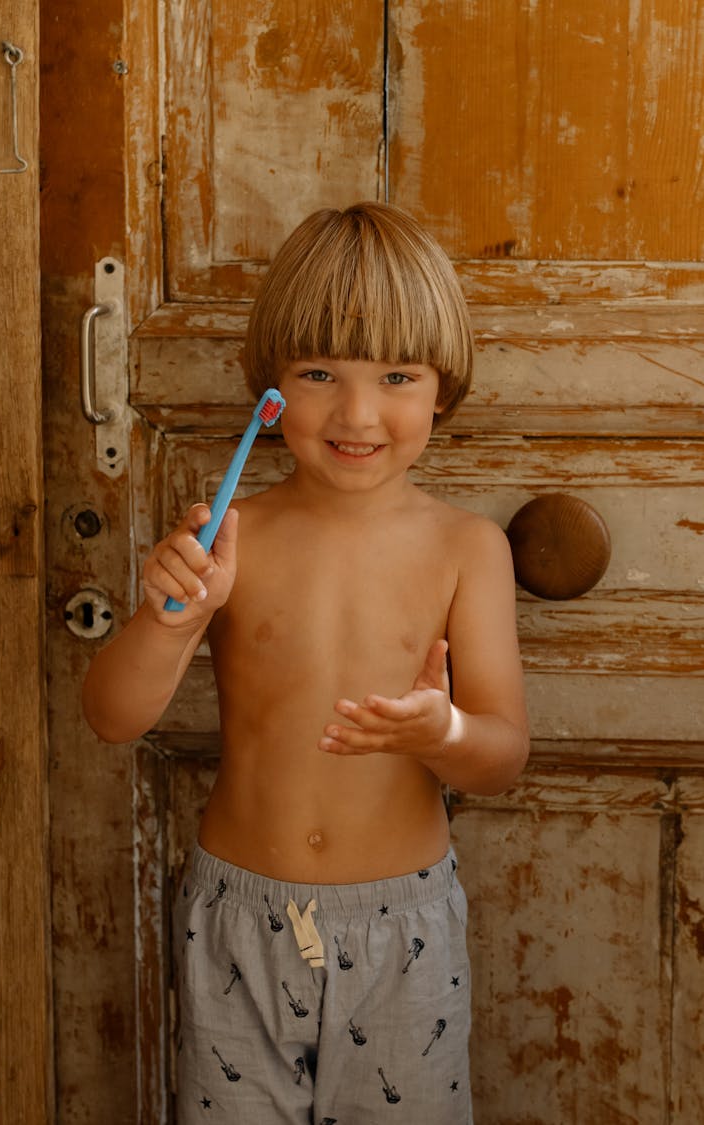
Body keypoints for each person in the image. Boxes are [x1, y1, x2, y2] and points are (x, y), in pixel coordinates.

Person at [83, 201, 529, 1124]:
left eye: (397, 375)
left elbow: (503, 757)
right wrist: (170, 624)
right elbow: (111, 716)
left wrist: (441, 731)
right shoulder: (230, 538)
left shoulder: (467, 548)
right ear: (271, 388)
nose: (356, 412)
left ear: (441, 388)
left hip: (404, 932)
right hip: (235, 922)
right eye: (318, 372)